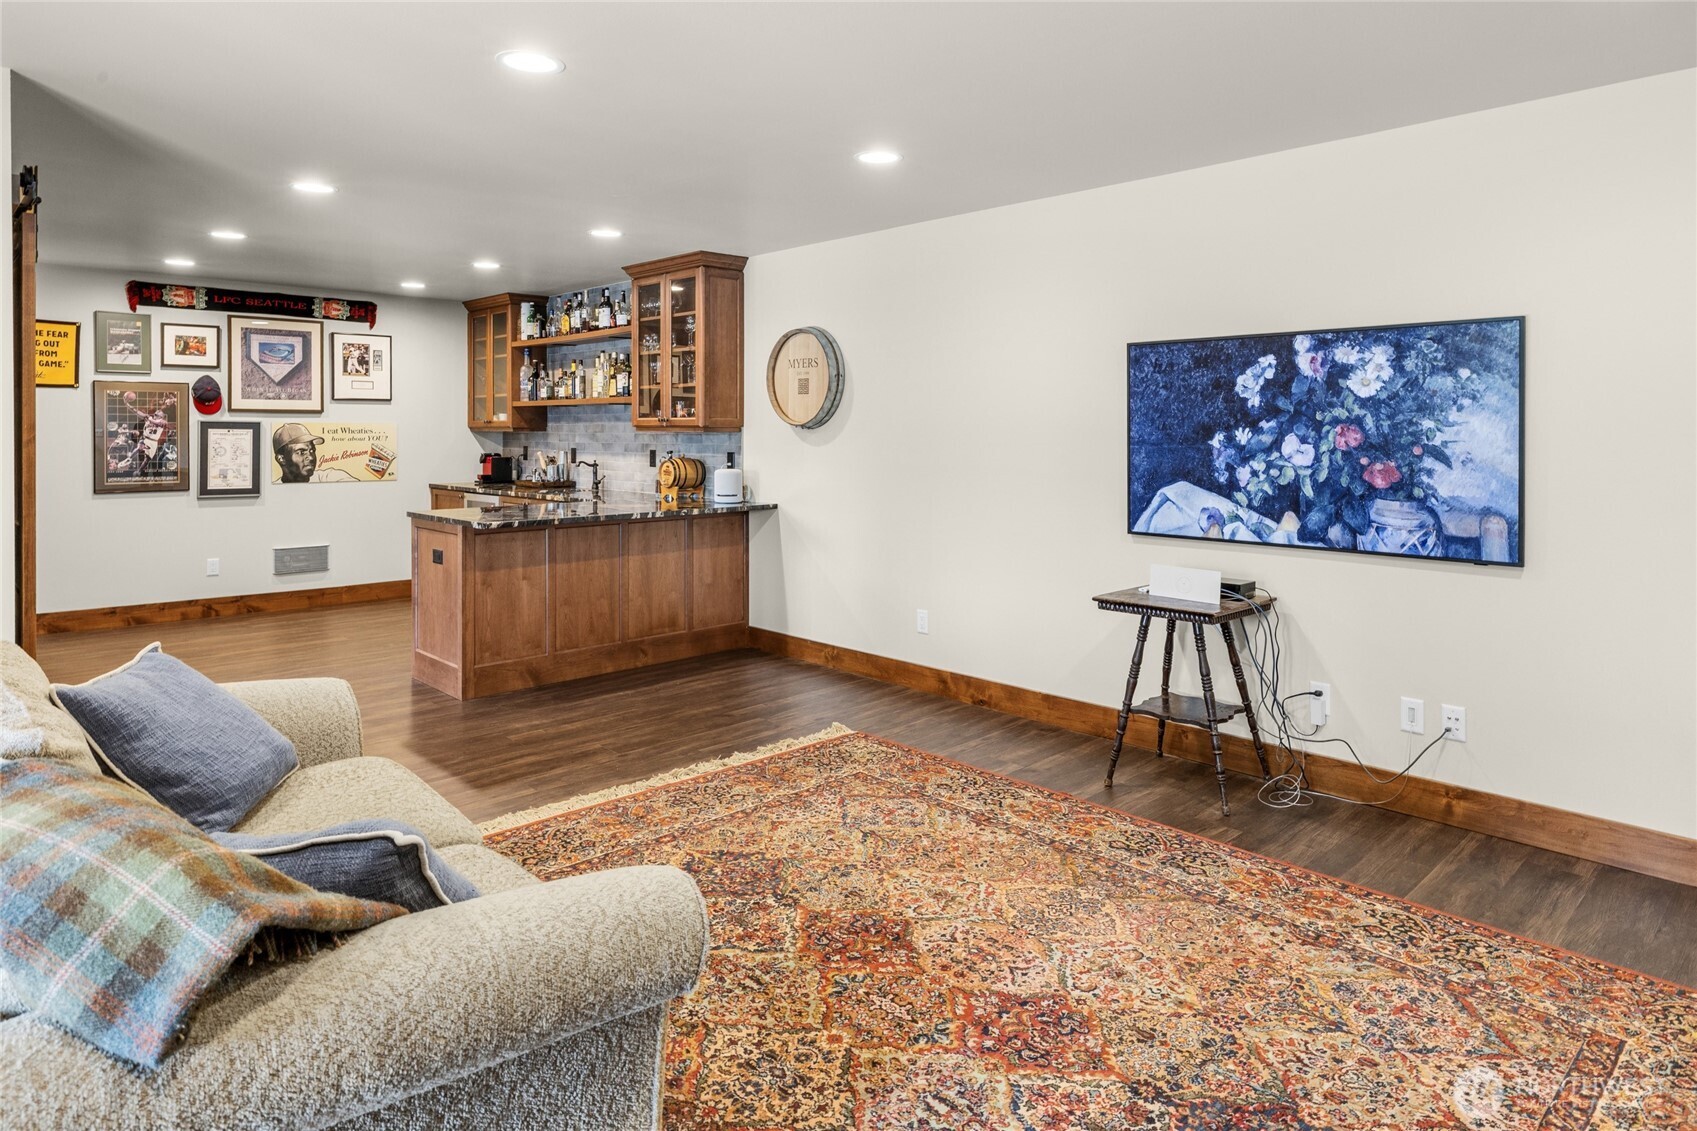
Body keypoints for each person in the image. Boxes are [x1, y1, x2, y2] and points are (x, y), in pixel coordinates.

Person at [273, 422, 355, 482]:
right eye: (301, 452)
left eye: (312, 450)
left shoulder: (327, 478)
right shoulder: (273, 490)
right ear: (281, 458)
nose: (311, 457)